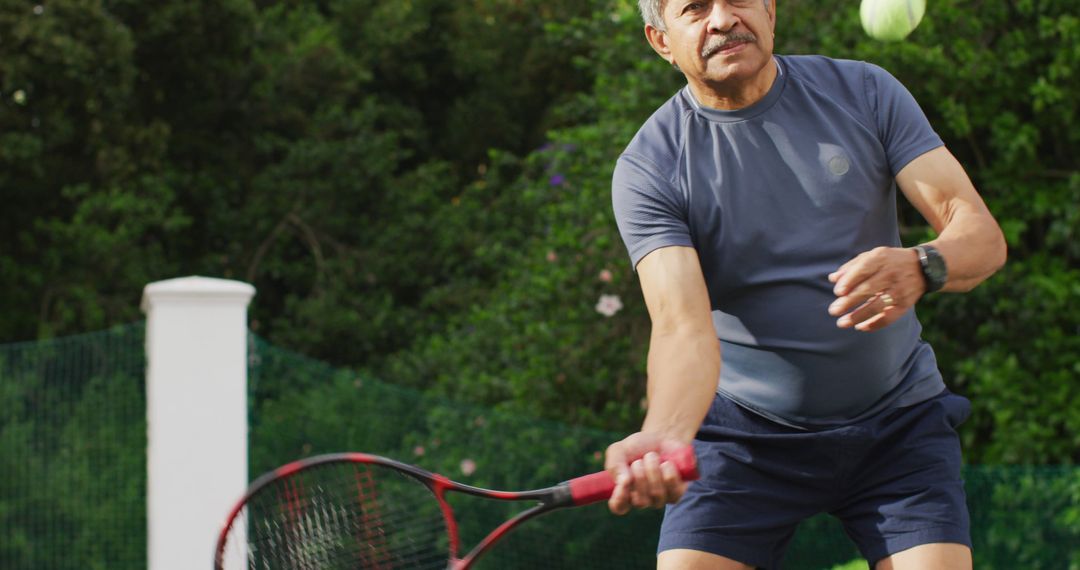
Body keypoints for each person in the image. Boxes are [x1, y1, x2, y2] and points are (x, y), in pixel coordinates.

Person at [603, 1, 1007, 569]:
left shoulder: (865, 91)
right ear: (661, 40)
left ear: (769, 11)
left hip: (898, 424)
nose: (721, 19)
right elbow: (681, 328)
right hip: (743, 442)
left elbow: (982, 238)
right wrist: (666, 435)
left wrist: (922, 265)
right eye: (694, 8)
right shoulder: (651, 167)